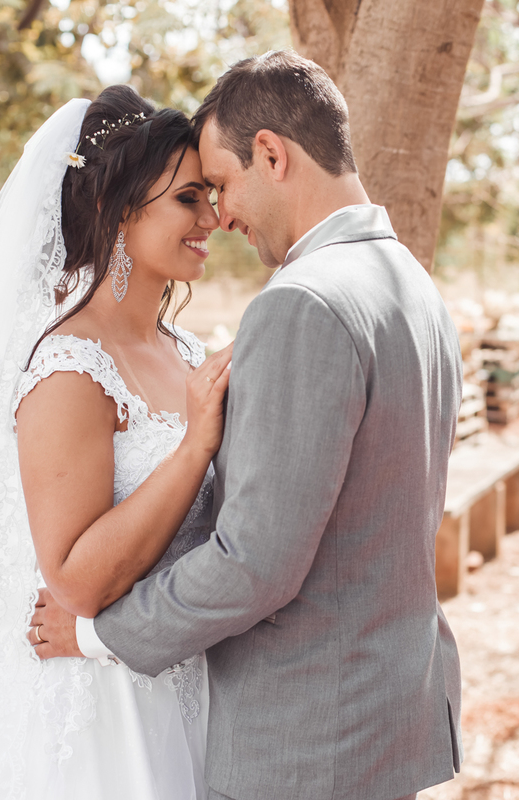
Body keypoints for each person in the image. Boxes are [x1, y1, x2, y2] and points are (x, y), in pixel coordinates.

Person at [31, 51, 464, 800]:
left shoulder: (303, 304)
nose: (219, 216)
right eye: (194, 197)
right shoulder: (411, 285)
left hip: (304, 743)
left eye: (222, 187)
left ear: (272, 154)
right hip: (383, 718)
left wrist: (96, 637)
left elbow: (256, 561)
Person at [0, 86, 229, 799]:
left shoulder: (184, 350)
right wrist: (193, 450)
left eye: (210, 196)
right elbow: (74, 579)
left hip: (184, 682)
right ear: (121, 209)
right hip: (98, 717)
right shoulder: (68, 365)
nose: (212, 217)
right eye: (188, 199)